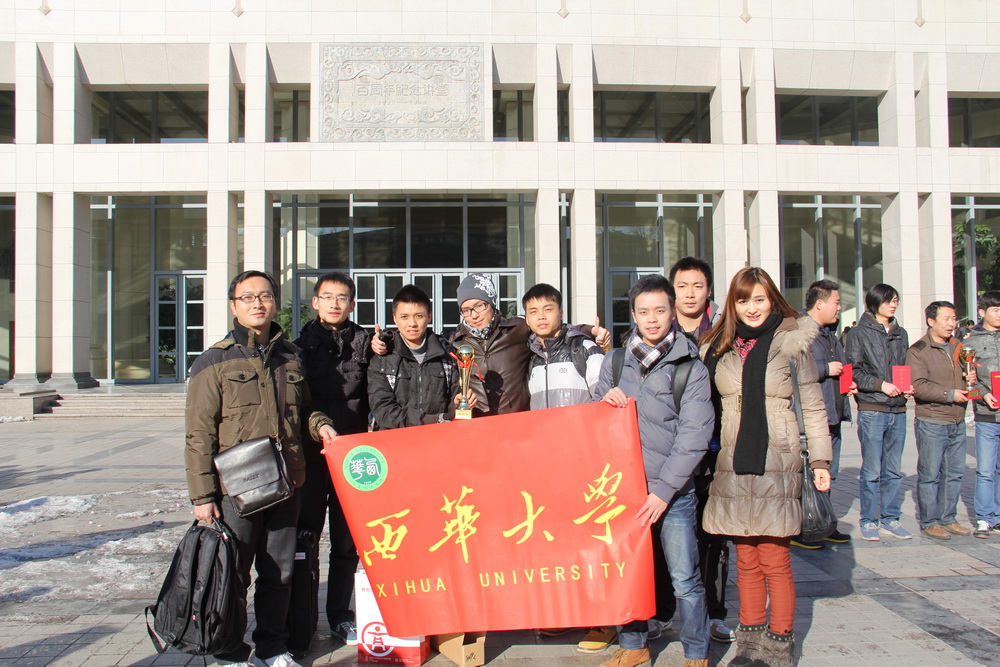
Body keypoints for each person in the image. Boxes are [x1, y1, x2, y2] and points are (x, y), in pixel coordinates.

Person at [185, 270, 336, 667]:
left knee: (280, 573)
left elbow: (304, 409)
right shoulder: (213, 361)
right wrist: (202, 497)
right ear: (233, 306)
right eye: (248, 297)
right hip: (237, 490)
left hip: (285, 483)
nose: (257, 303)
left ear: (274, 302)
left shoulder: (290, 356)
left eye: (265, 296)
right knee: (233, 575)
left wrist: (321, 425)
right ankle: (230, 650)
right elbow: (199, 435)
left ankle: (272, 647)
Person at [700, 267, 832, 667]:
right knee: (745, 559)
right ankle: (749, 645)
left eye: (759, 299)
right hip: (733, 460)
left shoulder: (792, 341)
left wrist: (821, 460)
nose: (752, 308)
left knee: (774, 558)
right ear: (732, 304)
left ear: (772, 299)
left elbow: (813, 405)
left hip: (777, 459)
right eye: (743, 300)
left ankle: (779, 646)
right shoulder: (719, 346)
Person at [595, 274, 712, 667]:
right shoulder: (615, 362)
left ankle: (696, 651)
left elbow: (694, 436)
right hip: (625, 491)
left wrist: (663, 492)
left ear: (672, 313)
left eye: (660, 310)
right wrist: (603, 401)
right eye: (644, 311)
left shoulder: (690, 367)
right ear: (633, 315)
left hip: (673, 495)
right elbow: (594, 421)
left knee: (685, 579)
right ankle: (633, 645)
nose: (652, 319)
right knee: (628, 574)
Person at [370, 273, 610, 417]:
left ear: (492, 303)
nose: (473, 314)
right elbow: (419, 337)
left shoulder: (517, 329)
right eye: (466, 309)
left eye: (479, 305)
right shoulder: (455, 341)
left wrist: (590, 331)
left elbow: (550, 325)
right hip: (478, 425)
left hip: (517, 424)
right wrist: (387, 339)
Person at [519, 283, 611, 651]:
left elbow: (604, 397)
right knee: (558, 542)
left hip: (583, 463)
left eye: (548, 309)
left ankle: (603, 621)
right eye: (533, 311)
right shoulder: (529, 356)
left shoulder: (583, 349)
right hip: (546, 468)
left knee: (591, 543)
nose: (541, 317)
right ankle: (568, 614)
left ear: (561, 311)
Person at [292, 272, 371, 647]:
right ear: (315, 302)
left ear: (352, 304)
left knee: (346, 543)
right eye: (327, 297)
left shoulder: (368, 346)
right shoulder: (297, 349)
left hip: (353, 459)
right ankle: (302, 618)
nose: (335, 304)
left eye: (342, 298)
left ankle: (340, 615)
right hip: (311, 458)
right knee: (304, 539)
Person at [667, 256, 733, 645]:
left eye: (698, 286)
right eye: (682, 286)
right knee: (666, 533)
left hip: (714, 450)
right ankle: (662, 611)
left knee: (714, 537)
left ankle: (713, 612)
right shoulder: (659, 330)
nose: (690, 294)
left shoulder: (726, 334)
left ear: (709, 291)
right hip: (668, 452)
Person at [845, 284, 913, 541]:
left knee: (893, 470)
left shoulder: (901, 333)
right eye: (888, 301)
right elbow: (854, 370)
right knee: (872, 470)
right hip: (872, 408)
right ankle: (869, 519)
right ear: (874, 303)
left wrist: (907, 386)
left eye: (895, 300)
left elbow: (905, 366)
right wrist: (879, 384)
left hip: (898, 409)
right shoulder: (858, 333)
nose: (893, 305)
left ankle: (891, 518)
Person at [791, 280, 856, 549]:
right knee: (806, 476)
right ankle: (802, 527)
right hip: (812, 418)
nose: (840, 308)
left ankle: (824, 522)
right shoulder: (799, 331)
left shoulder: (830, 334)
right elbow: (793, 370)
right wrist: (825, 369)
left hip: (833, 414)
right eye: (836, 302)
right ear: (820, 304)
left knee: (829, 474)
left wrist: (847, 383)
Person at [906, 301, 974, 540]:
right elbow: (918, 385)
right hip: (933, 420)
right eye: (946, 319)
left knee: (954, 473)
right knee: (930, 474)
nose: (951, 324)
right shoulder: (918, 350)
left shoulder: (958, 346)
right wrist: (949, 394)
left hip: (957, 419)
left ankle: (948, 517)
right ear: (931, 321)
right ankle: (930, 521)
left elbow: (965, 375)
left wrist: (970, 378)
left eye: (954, 319)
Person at [367, 284, 471, 427]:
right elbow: (383, 410)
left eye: (419, 316)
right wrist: (432, 420)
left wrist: (458, 403)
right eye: (404, 317)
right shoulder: (383, 357)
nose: (412, 323)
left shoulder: (447, 355)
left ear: (429, 317)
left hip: (438, 435)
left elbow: (453, 400)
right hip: (394, 437)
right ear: (395, 319)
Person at [966, 291, 1000, 538]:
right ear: (982, 312)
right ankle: (984, 517)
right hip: (987, 415)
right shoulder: (971, 343)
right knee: (986, 470)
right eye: (996, 310)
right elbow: (970, 381)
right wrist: (984, 395)